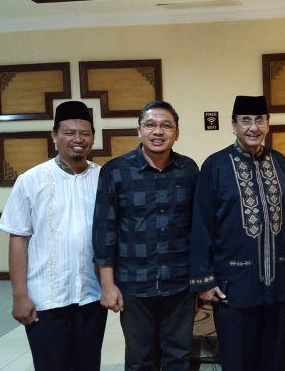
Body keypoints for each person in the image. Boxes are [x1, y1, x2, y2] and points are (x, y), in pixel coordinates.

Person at [190, 95, 285, 371]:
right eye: (246, 120)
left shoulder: (279, 161)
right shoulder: (215, 165)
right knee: (238, 360)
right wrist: (205, 280)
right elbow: (201, 223)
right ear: (234, 125)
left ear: (268, 124)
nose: (253, 127)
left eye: (259, 120)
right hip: (233, 286)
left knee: (273, 360)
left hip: (275, 285)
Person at [0, 101, 107, 371]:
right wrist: (19, 295)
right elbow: (18, 239)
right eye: (69, 133)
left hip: (92, 295)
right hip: (46, 298)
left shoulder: (104, 179)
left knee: (88, 365)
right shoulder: (30, 180)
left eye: (85, 133)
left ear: (93, 137)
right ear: (54, 136)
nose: (78, 139)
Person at [92, 100, 199, 370]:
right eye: (150, 125)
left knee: (179, 355)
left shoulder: (189, 169)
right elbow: (104, 231)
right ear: (139, 130)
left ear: (177, 133)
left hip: (179, 282)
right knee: (139, 358)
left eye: (166, 126)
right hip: (134, 283)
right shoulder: (115, 171)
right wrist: (107, 285)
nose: (158, 131)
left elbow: (198, 228)